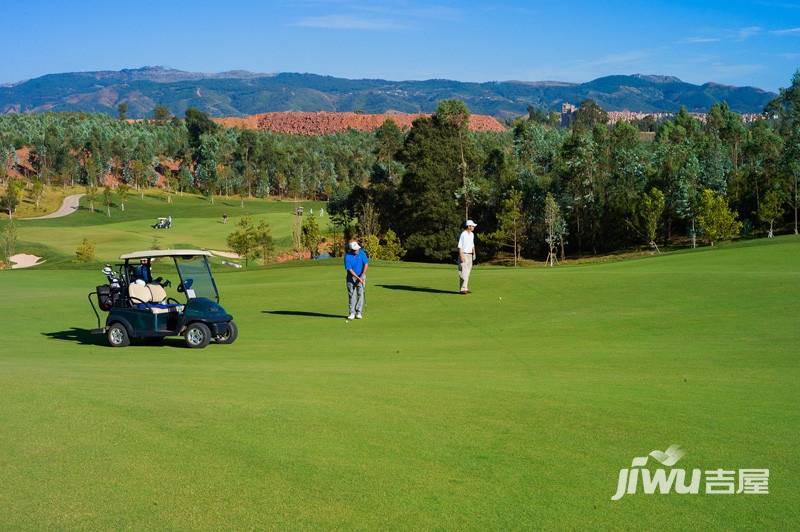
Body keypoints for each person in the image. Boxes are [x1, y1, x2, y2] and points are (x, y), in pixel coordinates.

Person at [344, 240, 369, 320]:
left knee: (360, 294)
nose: (357, 250)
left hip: (361, 276)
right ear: (351, 250)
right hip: (351, 278)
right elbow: (349, 270)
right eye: (355, 250)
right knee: (352, 295)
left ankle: (358, 312)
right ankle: (352, 313)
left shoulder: (362, 253)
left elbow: (366, 264)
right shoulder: (347, 256)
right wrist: (358, 278)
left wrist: (362, 275)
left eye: (358, 249)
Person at [458, 220, 477, 294]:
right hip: (464, 254)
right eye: (472, 226)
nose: (473, 227)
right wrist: (461, 255)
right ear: (469, 226)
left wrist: (474, 253)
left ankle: (465, 288)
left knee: (467, 272)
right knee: (463, 272)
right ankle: (462, 289)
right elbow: (460, 246)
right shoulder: (463, 234)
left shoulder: (472, 234)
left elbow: (472, 244)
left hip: (470, 255)